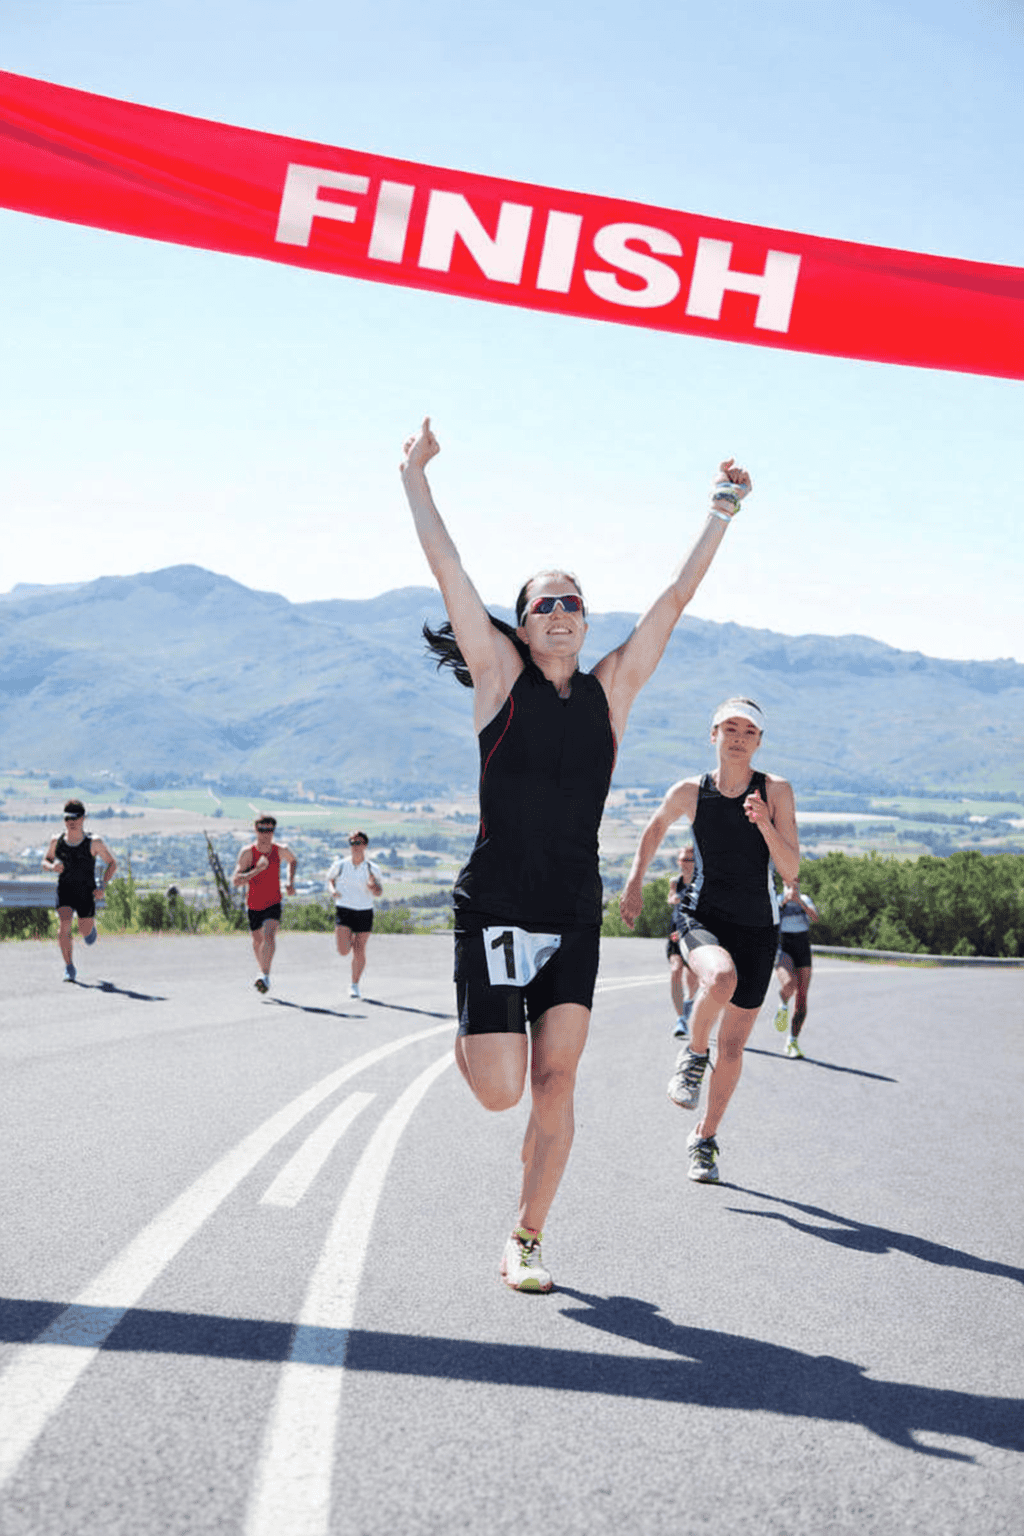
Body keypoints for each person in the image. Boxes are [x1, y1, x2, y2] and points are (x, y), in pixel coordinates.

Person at [400, 415, 752, 1291]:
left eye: (573, 603)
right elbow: (449, 570)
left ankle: (527, 1237)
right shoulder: (499, 679)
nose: (561, 613)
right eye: (543, 605)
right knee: (500, 1090)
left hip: (568, 912)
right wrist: (415, 478)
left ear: (587, 623)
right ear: (521, 627)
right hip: (494, 906)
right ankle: (477, 1029)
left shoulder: (613, 690)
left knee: (556, 1081)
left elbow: (673, 600)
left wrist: (720, 510)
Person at [619, 698, 799, 1185]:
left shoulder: (776, 790)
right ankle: (695, 1054)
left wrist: (764, 823)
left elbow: (791, 869)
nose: (738, 737)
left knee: (734, 1047)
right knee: (719, 978)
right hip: (702, 915)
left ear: (759, 741)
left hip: (758, 927)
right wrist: (635, 882)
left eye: (748, 731)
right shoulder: (690, 791)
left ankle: (704, 1137)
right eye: (729, 728)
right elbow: (655, 827)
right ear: (713, 734)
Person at [41, 799, 117, 982]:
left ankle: (90, 931)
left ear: (83, 818)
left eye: (75, 818)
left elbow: (112, 864)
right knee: (64, 926)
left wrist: (102, 886)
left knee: (85, 931)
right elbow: (45, 861)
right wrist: (52, 867)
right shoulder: (56, 841)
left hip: (86, 892)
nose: (71, 822)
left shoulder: (94, 842)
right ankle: (69, 967)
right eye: (67, 818)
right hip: (65, 890)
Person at [232, 815, 297, 993]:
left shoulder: (280, 850)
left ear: (273, 831)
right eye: (262, 829)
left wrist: (290, 881)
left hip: (273, 901)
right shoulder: (248, 853)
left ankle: (264, 975)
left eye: (269, 830)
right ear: (256, 830)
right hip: (253, 904)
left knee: (269, 936)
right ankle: (263, 972)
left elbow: (293, 860)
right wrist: (257, 870)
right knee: (257, 941)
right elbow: (236, 881)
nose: (265, 833)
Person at [327, 830, 383, 999]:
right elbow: (330, 880)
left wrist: (373, 887)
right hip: (344, 909)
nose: (355, 846)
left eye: (358, 843)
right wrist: (333, 890)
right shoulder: (340, 865)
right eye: (352, 843)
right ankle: (348, 939)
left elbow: (379, 892)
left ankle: (354, 985)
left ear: (365, 845)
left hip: (364, 910)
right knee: (343, 950)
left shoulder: (372, 868)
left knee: (359, 949)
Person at [773, 879, 820, 1058]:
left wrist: (799, 902)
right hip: (783, 945)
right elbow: (769, 919)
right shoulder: (778, 899)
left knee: (802, 997)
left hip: (802, 945)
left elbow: (815, 918)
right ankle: (783, 1003)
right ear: (783, 883)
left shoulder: (805, 899)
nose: (792, 887)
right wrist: (785, 901)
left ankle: (792, 1041)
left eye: (795, 884)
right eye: (789, 883)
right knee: (789, 984)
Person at [667, 845, 699, 1039]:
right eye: (682, 860)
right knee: (675, 970)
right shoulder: (676, 881)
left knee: (692, 977)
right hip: (676, 931)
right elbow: (671, 898)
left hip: (696, 932)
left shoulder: (701, 882)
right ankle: (680, 1019)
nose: (684, 864)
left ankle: (689, 1001)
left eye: (689, 860)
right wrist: (675, 899)